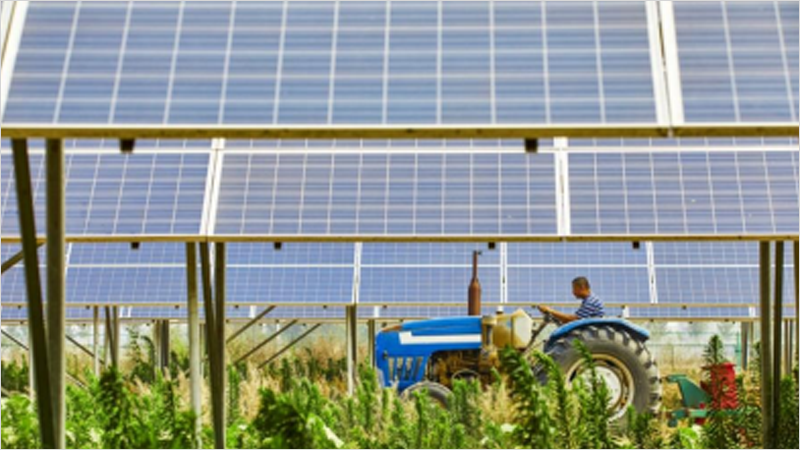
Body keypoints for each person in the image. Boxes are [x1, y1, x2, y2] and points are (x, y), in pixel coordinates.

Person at [538, 277, 605, 324]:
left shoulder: (591, 301)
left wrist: (550, 310)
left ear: (582, 288)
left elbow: (573, 319)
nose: (573, 292)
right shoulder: (589, 300)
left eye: (574, 289)